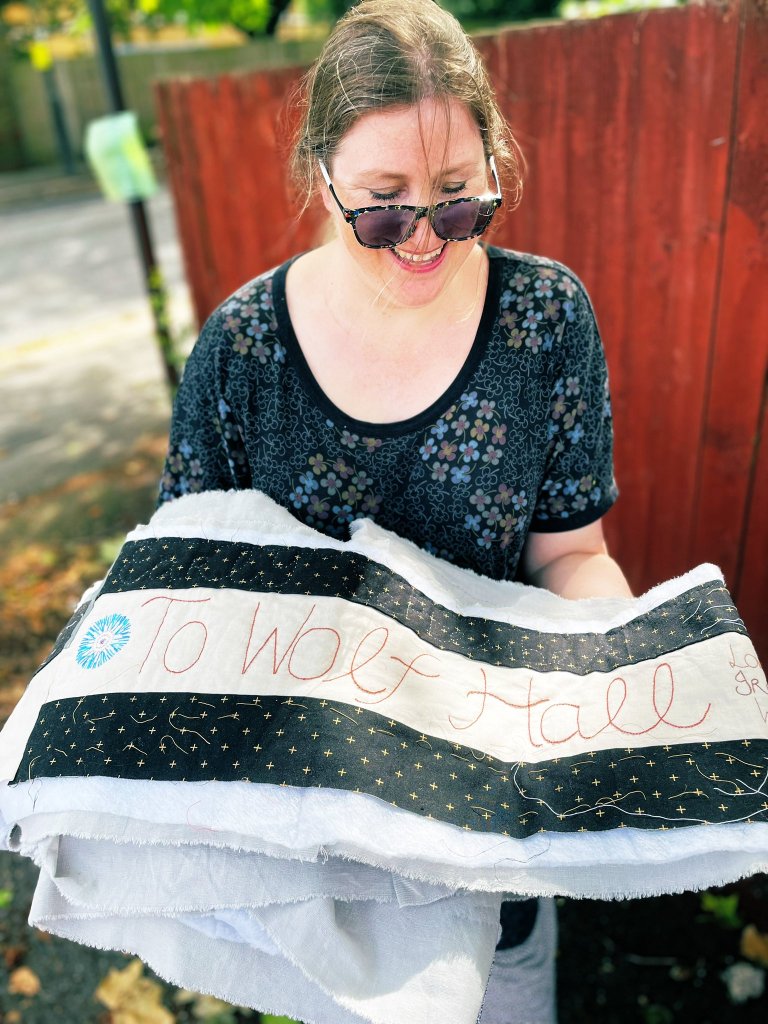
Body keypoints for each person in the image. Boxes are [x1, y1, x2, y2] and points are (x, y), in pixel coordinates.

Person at [158, 1, 633, 1020]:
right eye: (383, 203)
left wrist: (608, 666)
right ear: (319, 178)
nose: (424, 236)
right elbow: (186, 609)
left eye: (459, 199)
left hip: (495, 821)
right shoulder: (241, 353)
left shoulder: (544, 318)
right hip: (318, 847)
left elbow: (572, 553)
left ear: (493, 162)